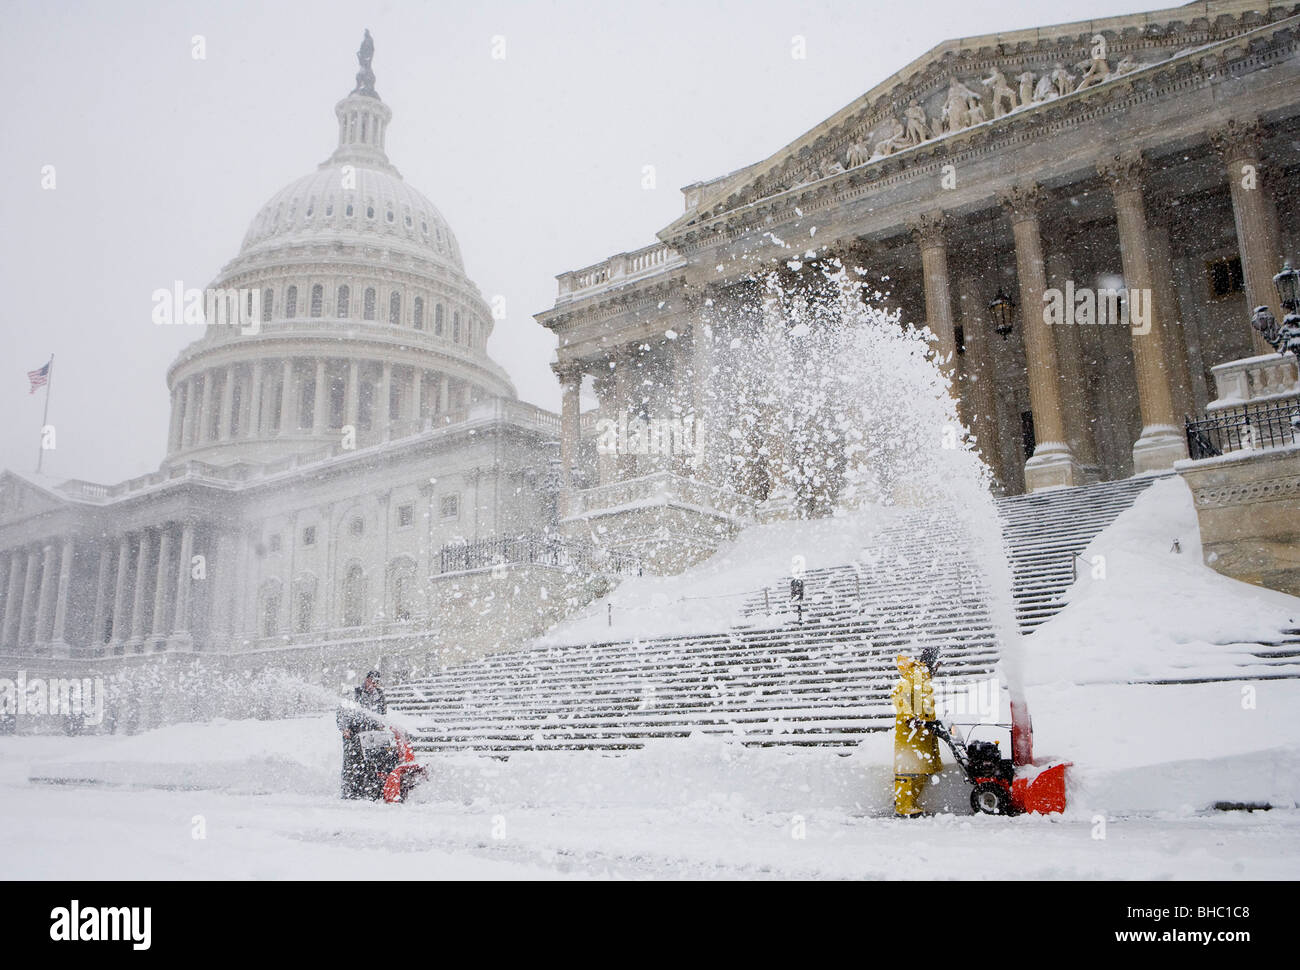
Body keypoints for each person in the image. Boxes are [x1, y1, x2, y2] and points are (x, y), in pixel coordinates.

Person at [891, 648, 942, 818]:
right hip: (910, 733)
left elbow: (922, 702)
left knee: (922, 769)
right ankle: (903, 806)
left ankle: (906, 801)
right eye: (937, 664)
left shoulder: (923, 676)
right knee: (908, 771)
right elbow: (897, 695)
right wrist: (909, 717)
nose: (937, 668)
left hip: (922, 732)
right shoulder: (916, 674)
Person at [337, 670, 388, 799]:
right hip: (354, 733)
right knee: (352, 762)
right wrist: (345, 728)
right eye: (372, 681)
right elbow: (342, 711)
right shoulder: (355, 693)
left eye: (377, 682)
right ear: (367, 680)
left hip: (371, 733)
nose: (374, 684)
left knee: (371, 762)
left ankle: (369, 790)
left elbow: (382, 714)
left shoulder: (380, 695)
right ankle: (350, 791)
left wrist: (381, 724)